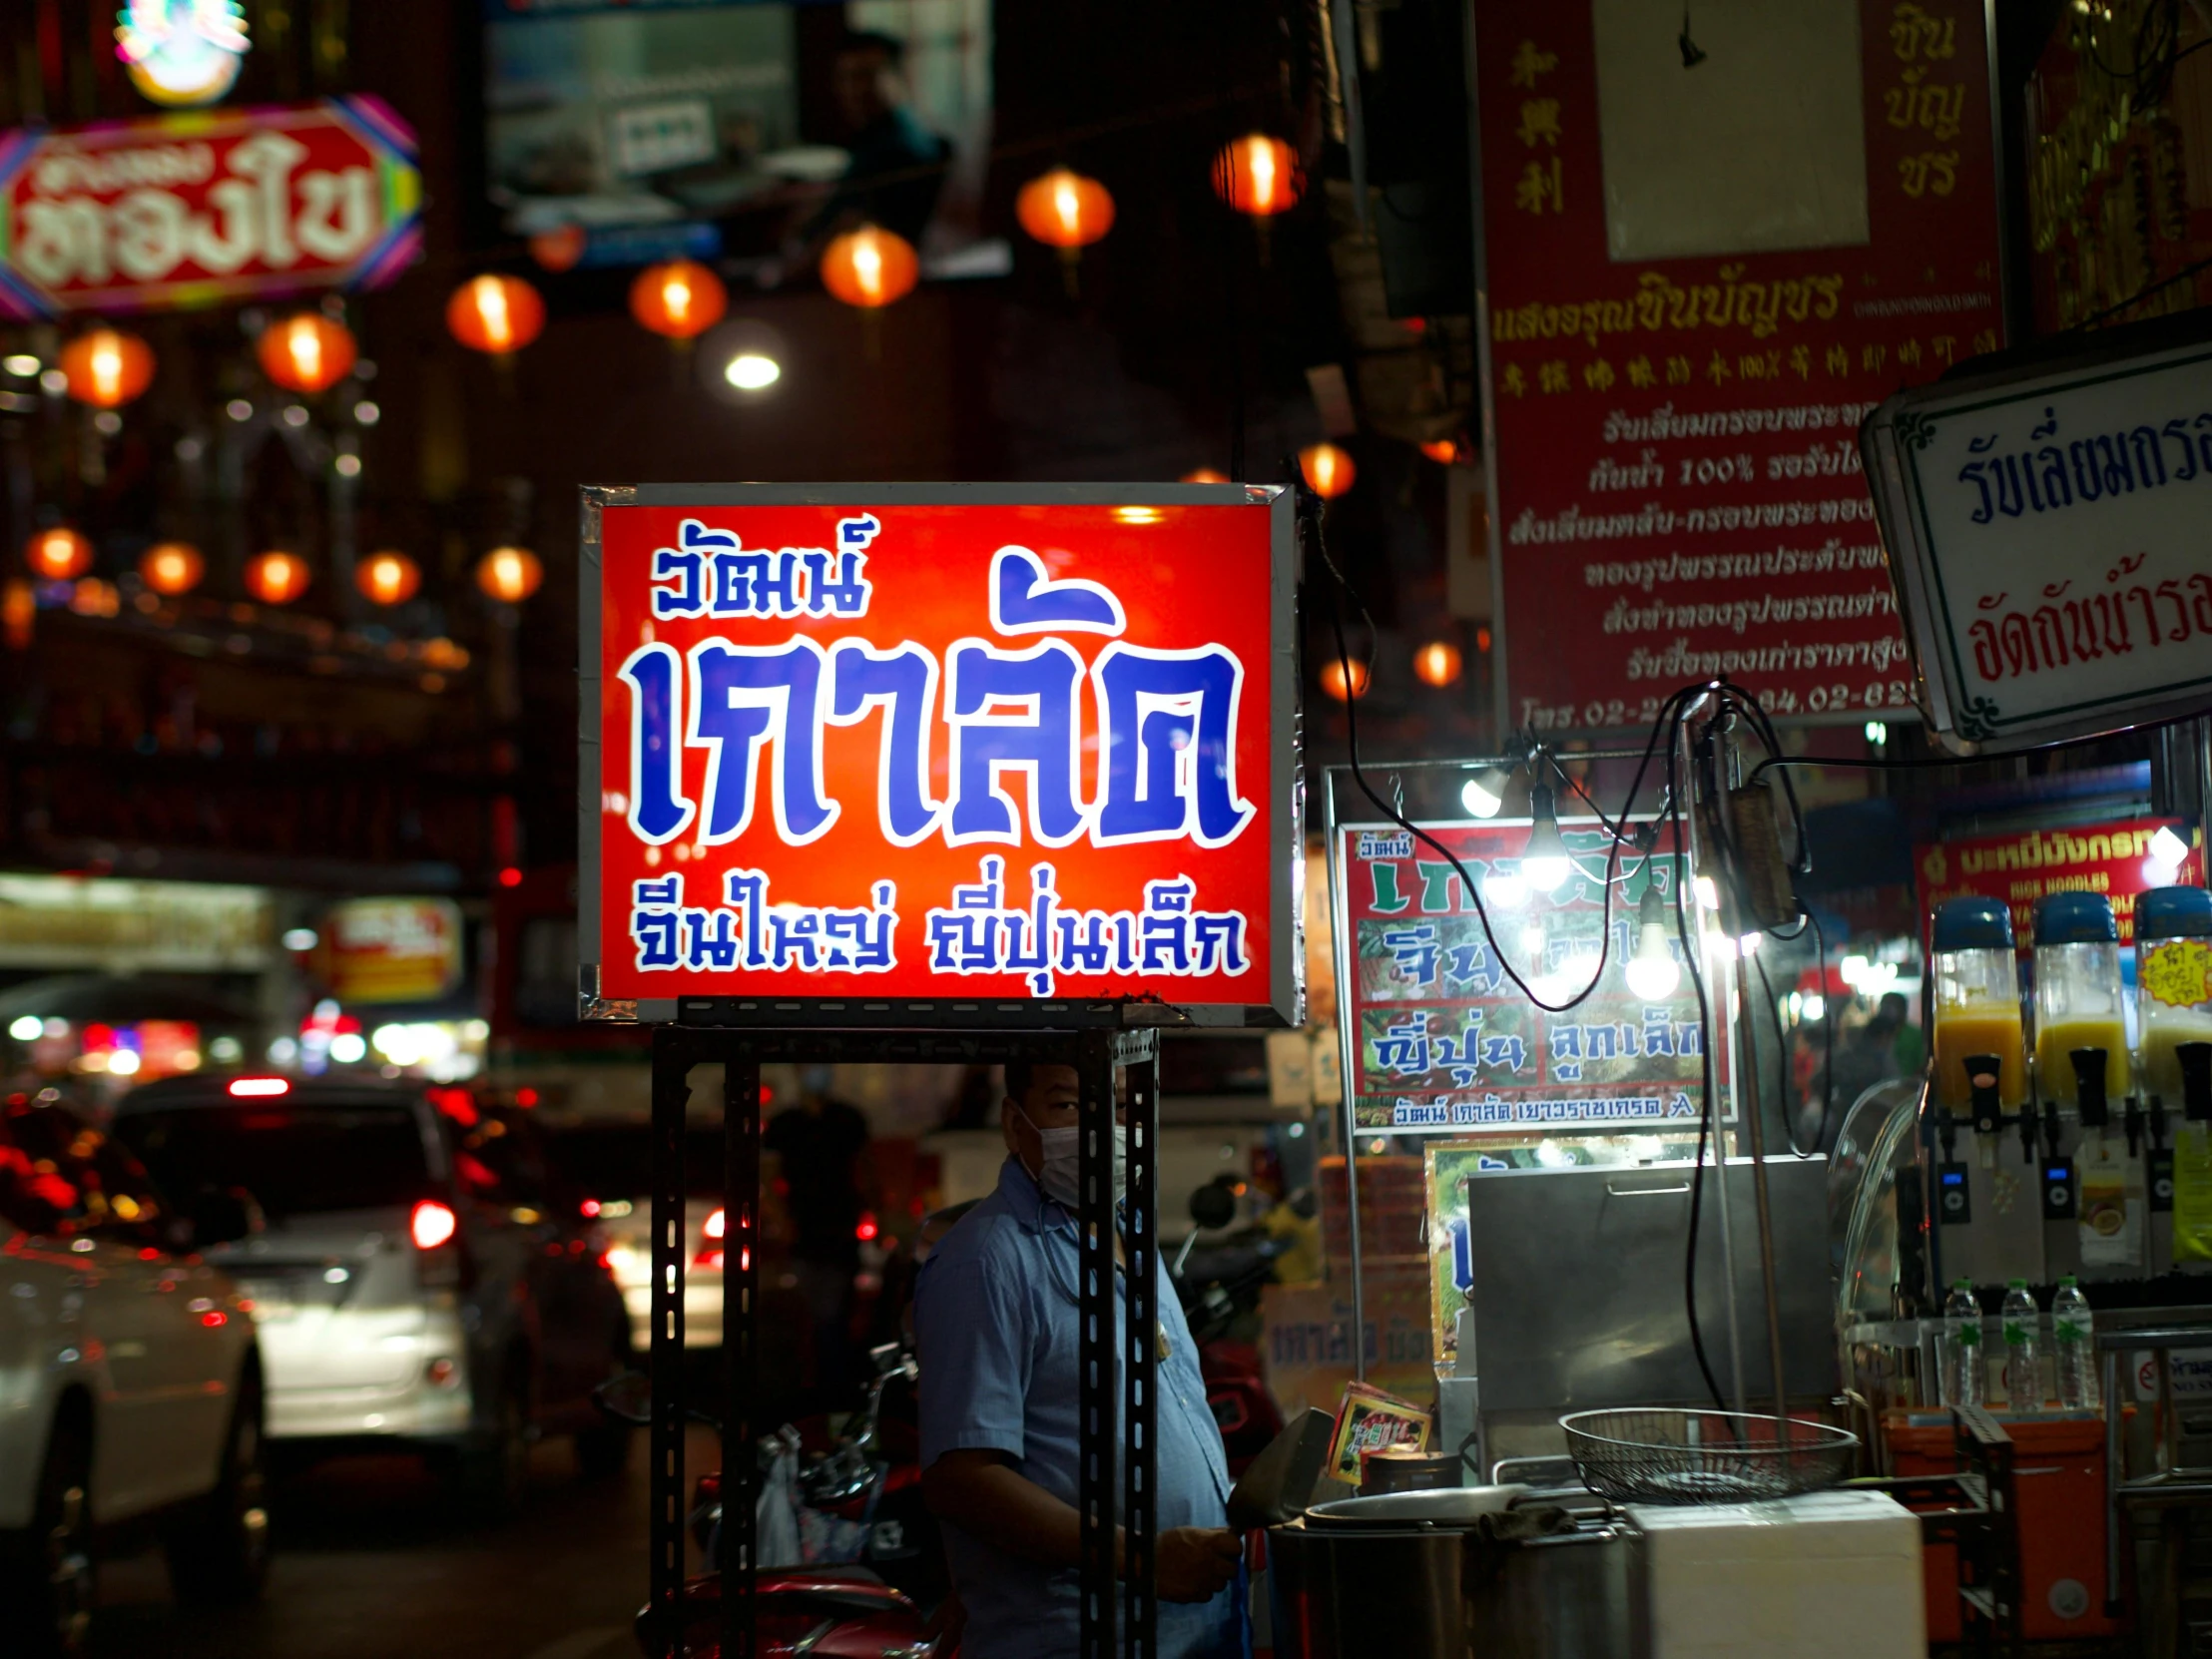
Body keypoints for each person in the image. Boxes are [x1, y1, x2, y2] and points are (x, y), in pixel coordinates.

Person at [913, 1061, 1244, 1659]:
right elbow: (961, 1480)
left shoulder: (1127, 1229)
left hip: (1196, 1634)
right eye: (1068, 1108)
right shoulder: (986, 1260)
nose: (1101, 1130)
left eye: (1118, 1108)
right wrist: (1141, 1560)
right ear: (1016, 1124)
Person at [763, 1066, 875, 1408]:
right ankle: (828, 1392)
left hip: (841, 1230)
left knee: (835, 1313)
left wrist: (873, 1214)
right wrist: (782, 1220)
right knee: (821, 1314)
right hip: (806, 1232)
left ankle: (833, 1392)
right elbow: (768, 1177)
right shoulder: (786, 1124)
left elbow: (866, 1170)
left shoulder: (847, 1119)